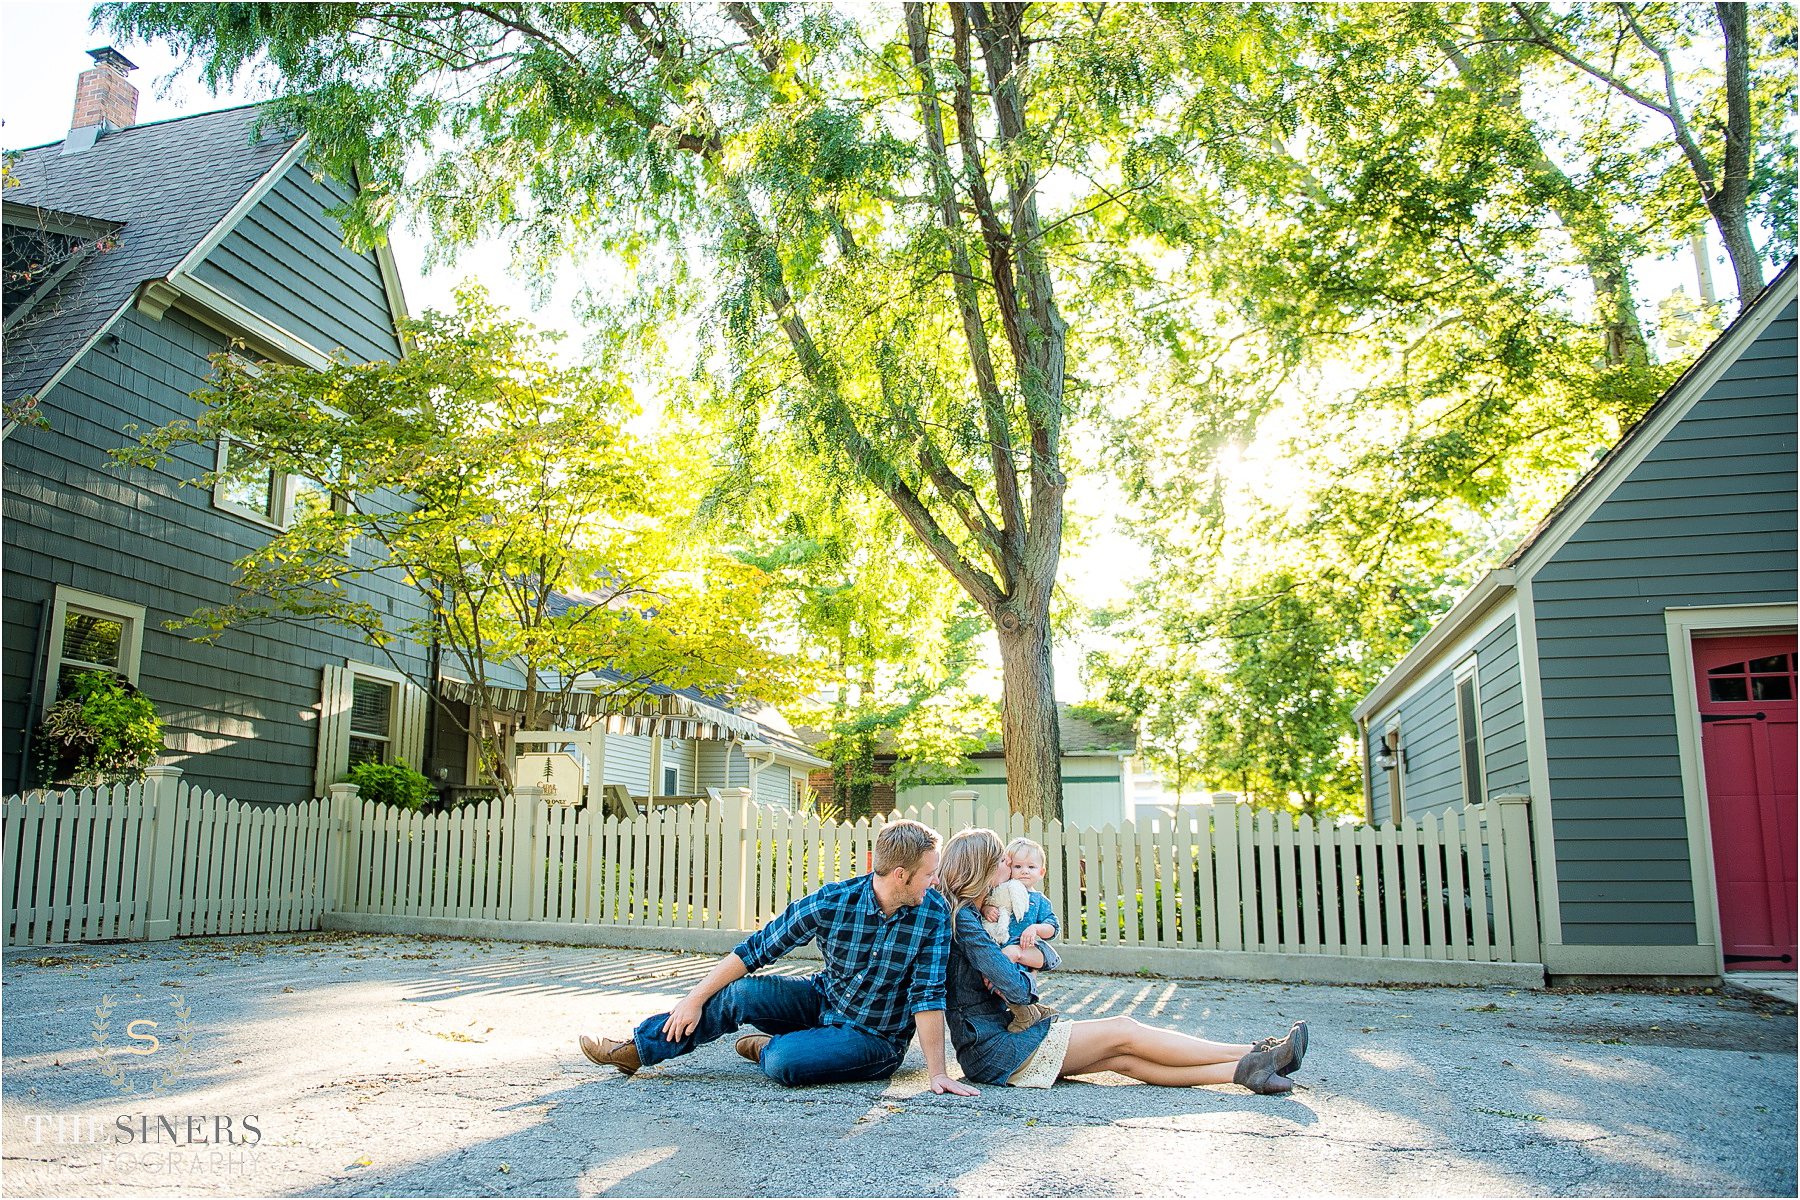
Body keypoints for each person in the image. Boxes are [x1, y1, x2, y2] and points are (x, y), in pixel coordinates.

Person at [579, 819, 979, 1095]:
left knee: (785, 1062)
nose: (936, 881)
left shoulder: (933, 914)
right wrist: (692, 999)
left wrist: (938, 1073)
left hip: (876, 1038)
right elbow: (756, 949)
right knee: (740, 994)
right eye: (929, 873)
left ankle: (766, 1047)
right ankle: (638, 1050)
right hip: (825, 998)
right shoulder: (833, 902)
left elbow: (927, 994)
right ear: (900, 875)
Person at [934, 828, 1307, 1093]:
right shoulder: (965, 919)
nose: (1010, 865)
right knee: (1123, 1029)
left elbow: (1049, 955)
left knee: (1123, 1060)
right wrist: (1015, 964)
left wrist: (1019, 954)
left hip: (999, 1044)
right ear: (982, 868)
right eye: (1002, 859)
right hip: (996, 1048)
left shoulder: (990, 912)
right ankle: (1255, 1052)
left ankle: (1248, 1069)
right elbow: (1016, 987)